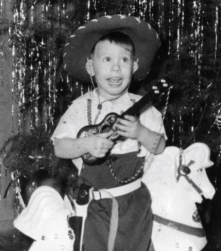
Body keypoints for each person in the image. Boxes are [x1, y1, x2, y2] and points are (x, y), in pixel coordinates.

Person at [51, 15, 167, 251]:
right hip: (96, 207)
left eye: (124, 59)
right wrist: (86, 144)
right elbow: (59, 146)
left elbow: (160, 146)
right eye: (107, 59)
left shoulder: (143, 107)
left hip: (135, 204)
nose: (116, 67)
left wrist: (141, 132)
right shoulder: (81, 107)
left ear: (134, 66)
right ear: (91, 66)